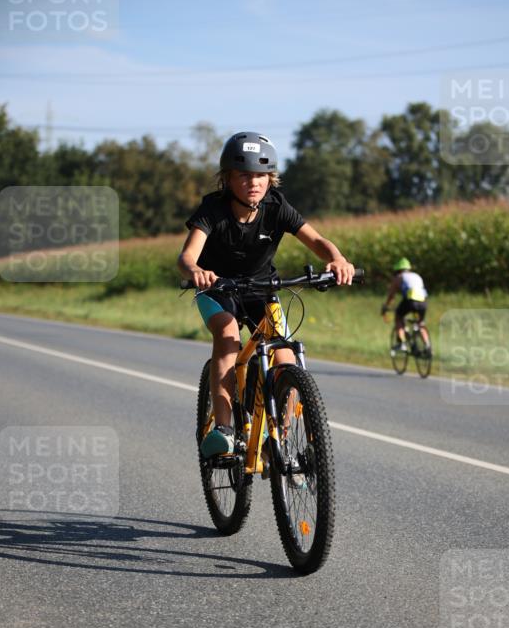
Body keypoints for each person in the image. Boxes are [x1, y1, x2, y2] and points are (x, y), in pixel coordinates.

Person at [178, 131, 355, 457]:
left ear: (270, 178)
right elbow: (187, 257)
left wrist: (337, 258)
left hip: (262, 289)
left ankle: (280, 441)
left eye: (261, 175)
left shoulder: (276, 206)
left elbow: (317, 241)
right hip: (218, 289)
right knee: (228, 336)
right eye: (244, 175)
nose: (253, 182)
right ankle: (224, 429)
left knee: (287, 360)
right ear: (227, 179)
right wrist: (197, 272)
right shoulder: (213, 209)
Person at [381, 256, 431, 353]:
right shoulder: (417, 276)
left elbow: (391, 296)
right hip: (423, 302)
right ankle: (427, 346)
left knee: (399, 317)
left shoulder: (399, 277)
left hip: (411, 301)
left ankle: (402, 344)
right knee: (420, 323)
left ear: (397, 271)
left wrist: (386, 307)